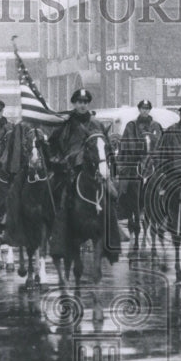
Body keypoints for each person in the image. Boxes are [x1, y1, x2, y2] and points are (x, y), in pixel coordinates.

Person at [46, 88, 120, 262]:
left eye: (85, 102)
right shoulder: (66, 123)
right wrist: (57, 159)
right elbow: (53, 144)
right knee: (55, 192)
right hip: (70, 167)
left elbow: (106, 146)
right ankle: (57, 238)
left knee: (112, 196)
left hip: (94, 168)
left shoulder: (97, 124)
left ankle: (113, 239)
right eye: (79, 102)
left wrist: (109, 164)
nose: (82, 105)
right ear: (74, 103)